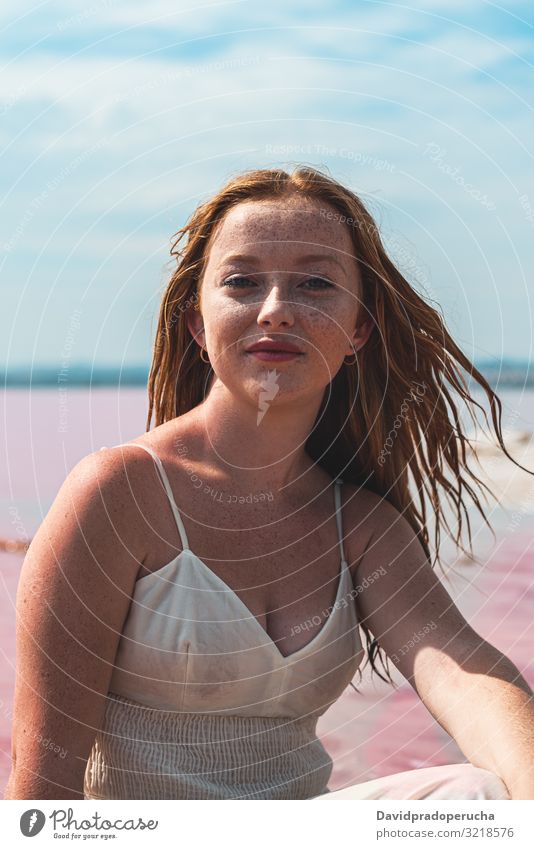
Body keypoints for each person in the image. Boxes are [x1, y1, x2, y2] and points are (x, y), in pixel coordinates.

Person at [5, 166, 534, 801]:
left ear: (357, 331)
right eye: (242, 282)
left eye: (315, 283)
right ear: (199, 325)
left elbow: (463, 669)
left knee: (477, 795)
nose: (277, 310)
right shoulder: (122, 494)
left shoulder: (361, 528)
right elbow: (41, 786)